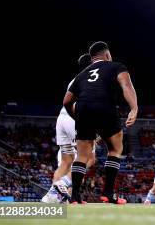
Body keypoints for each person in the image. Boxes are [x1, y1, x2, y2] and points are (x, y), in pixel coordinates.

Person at [63, 41, 138, 204]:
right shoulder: (116, 66)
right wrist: (134, 108)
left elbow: (66, 101)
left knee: (82, 154)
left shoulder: (81, 74)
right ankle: (108, 193)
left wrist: (78, 117)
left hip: (83, 108)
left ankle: (75, 196)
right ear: (107, 54)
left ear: (92, 58)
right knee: (115, 148)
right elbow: (126, 85)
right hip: (104, 105)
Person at [42, 54, 96, 203]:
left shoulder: (76, 79)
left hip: (62, 118)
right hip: (75, 119)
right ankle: (61, 185)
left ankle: (52, 198)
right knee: (89, 158)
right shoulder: (92, 79)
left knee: (67, 161)